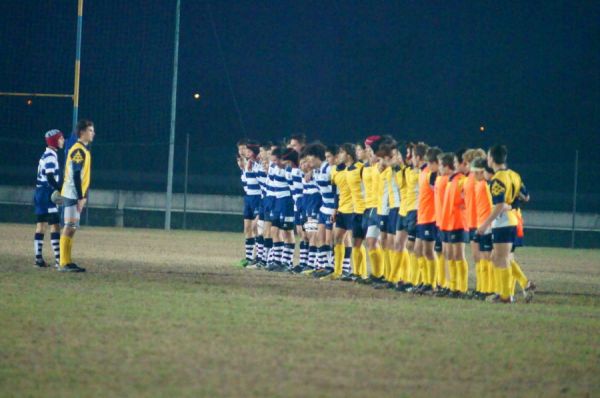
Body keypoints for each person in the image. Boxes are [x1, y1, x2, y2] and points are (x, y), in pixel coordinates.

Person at [477, 145, 534, 303]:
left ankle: (505, 295)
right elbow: (526, 197)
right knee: (498, 257)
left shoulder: (497, 179)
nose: (487, 159)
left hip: (503, 223)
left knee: (501, 258)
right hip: (513, 220)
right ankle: (518, 286)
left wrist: (485, 224)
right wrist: (513, 204)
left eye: (488, 157)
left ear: (492, 159)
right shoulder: (514, 175)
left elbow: (499, 205)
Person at [59, 119, 95, 272]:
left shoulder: (83, 149)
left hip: (75, 193)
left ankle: (67, 261)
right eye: (90, 130)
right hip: (72, 194)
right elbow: (75, 173)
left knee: (72, 227)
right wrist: (80, 197)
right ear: (82, 132)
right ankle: (63, 262)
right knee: (70, 226)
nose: (93, 133)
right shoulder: (79, 150)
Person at [303, 142, 336, 278]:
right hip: (323, 208)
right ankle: (323, 266)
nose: (309, 162)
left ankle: (332, 267)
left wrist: (336, 208)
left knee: (330, 240)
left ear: (318, 158)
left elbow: (337, 190)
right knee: (320, 238)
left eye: (310, 159)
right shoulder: (316, 171)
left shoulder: (329, 169)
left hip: (332, 209)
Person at [33, 129, 64, 268]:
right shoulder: (51, 156)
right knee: (55, 226)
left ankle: (38, 259)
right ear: (55, 140)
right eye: (61, 138)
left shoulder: (45, 154)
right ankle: (58, 260)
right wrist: (59, 189)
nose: (63, 140)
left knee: (40, 226)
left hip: (39, 192)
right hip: (47, 193)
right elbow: (50, 176)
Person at [238, 140, 262, 267]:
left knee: (256, 228)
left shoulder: (257, 164)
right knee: (247, 228)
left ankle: (259, 257)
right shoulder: (246, 164)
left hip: (258, 198)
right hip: (249, 199)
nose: (244, 152)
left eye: (246, 150)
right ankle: (248, 257)